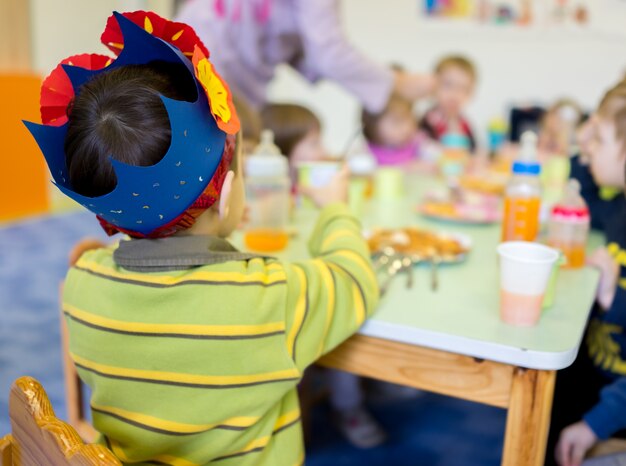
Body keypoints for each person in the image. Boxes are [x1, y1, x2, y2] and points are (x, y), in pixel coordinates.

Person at [26, 11, 378, 465]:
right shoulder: (270, 296)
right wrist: (336, 208)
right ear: (229, 193)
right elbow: (353, 279)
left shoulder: (81, 285)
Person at [547, 82, 626, 466]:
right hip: (599, 373)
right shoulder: (619, 208)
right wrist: (582, 146)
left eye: (600, 138)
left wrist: (614, 297)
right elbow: (586, 194)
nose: (589, 146)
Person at [175, 0, 434, 114]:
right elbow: (328, 53)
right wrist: (398, 83)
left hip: (195, 42)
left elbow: (294, 41)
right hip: (214, 55)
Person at [419, 55, 477, 152]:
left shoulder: (464, 124)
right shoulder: (429, 121)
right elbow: (420, 148)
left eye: (463, 88)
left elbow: (472, 150)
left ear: (470, 94)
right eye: (448, 85)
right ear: (433, 87)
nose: (454, 94)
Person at [361, 94, 421, 167]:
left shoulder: (418, 142)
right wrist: (407, 168)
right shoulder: (366, 153)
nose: (407, 127)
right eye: (397, 122)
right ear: (374, 127)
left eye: (410, 118)